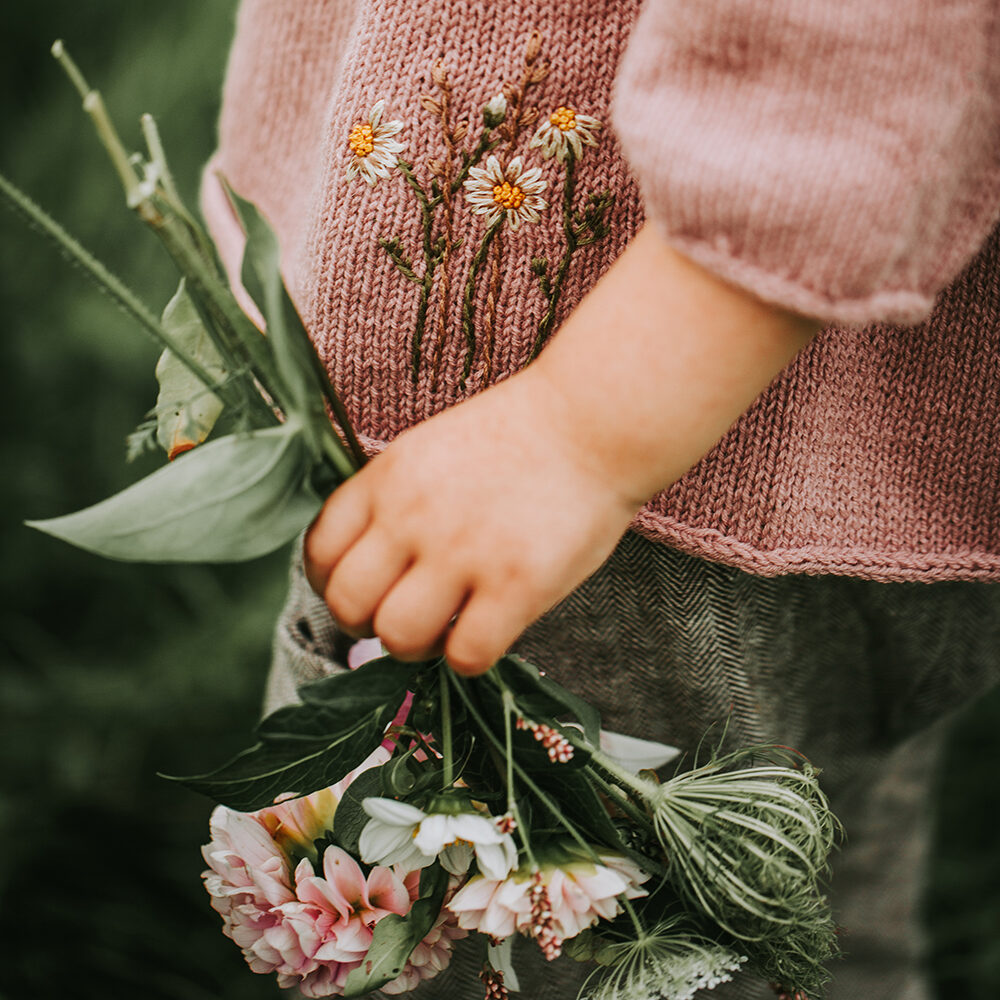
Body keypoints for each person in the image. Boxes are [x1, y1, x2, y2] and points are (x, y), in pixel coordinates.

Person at [203, 1, 1000, 997]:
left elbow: (850, 53)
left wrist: (581, 433)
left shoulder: (573, 454)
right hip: (638, 439)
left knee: (566, 941)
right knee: (797, 924)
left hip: (630, 458)